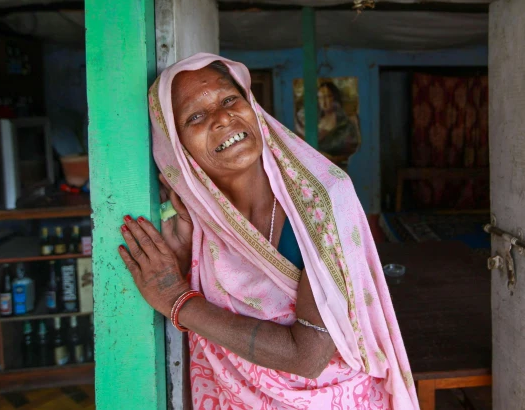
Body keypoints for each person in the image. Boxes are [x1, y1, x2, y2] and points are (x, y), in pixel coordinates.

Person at [118, 53, 418, 409]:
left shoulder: (320, 201)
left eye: (230, 99)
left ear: (252, 106)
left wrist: (176, 300)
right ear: (176, 149)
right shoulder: (199, 221)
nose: (223, 117)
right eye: (196, 116)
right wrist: (182, 259)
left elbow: (308, 356)